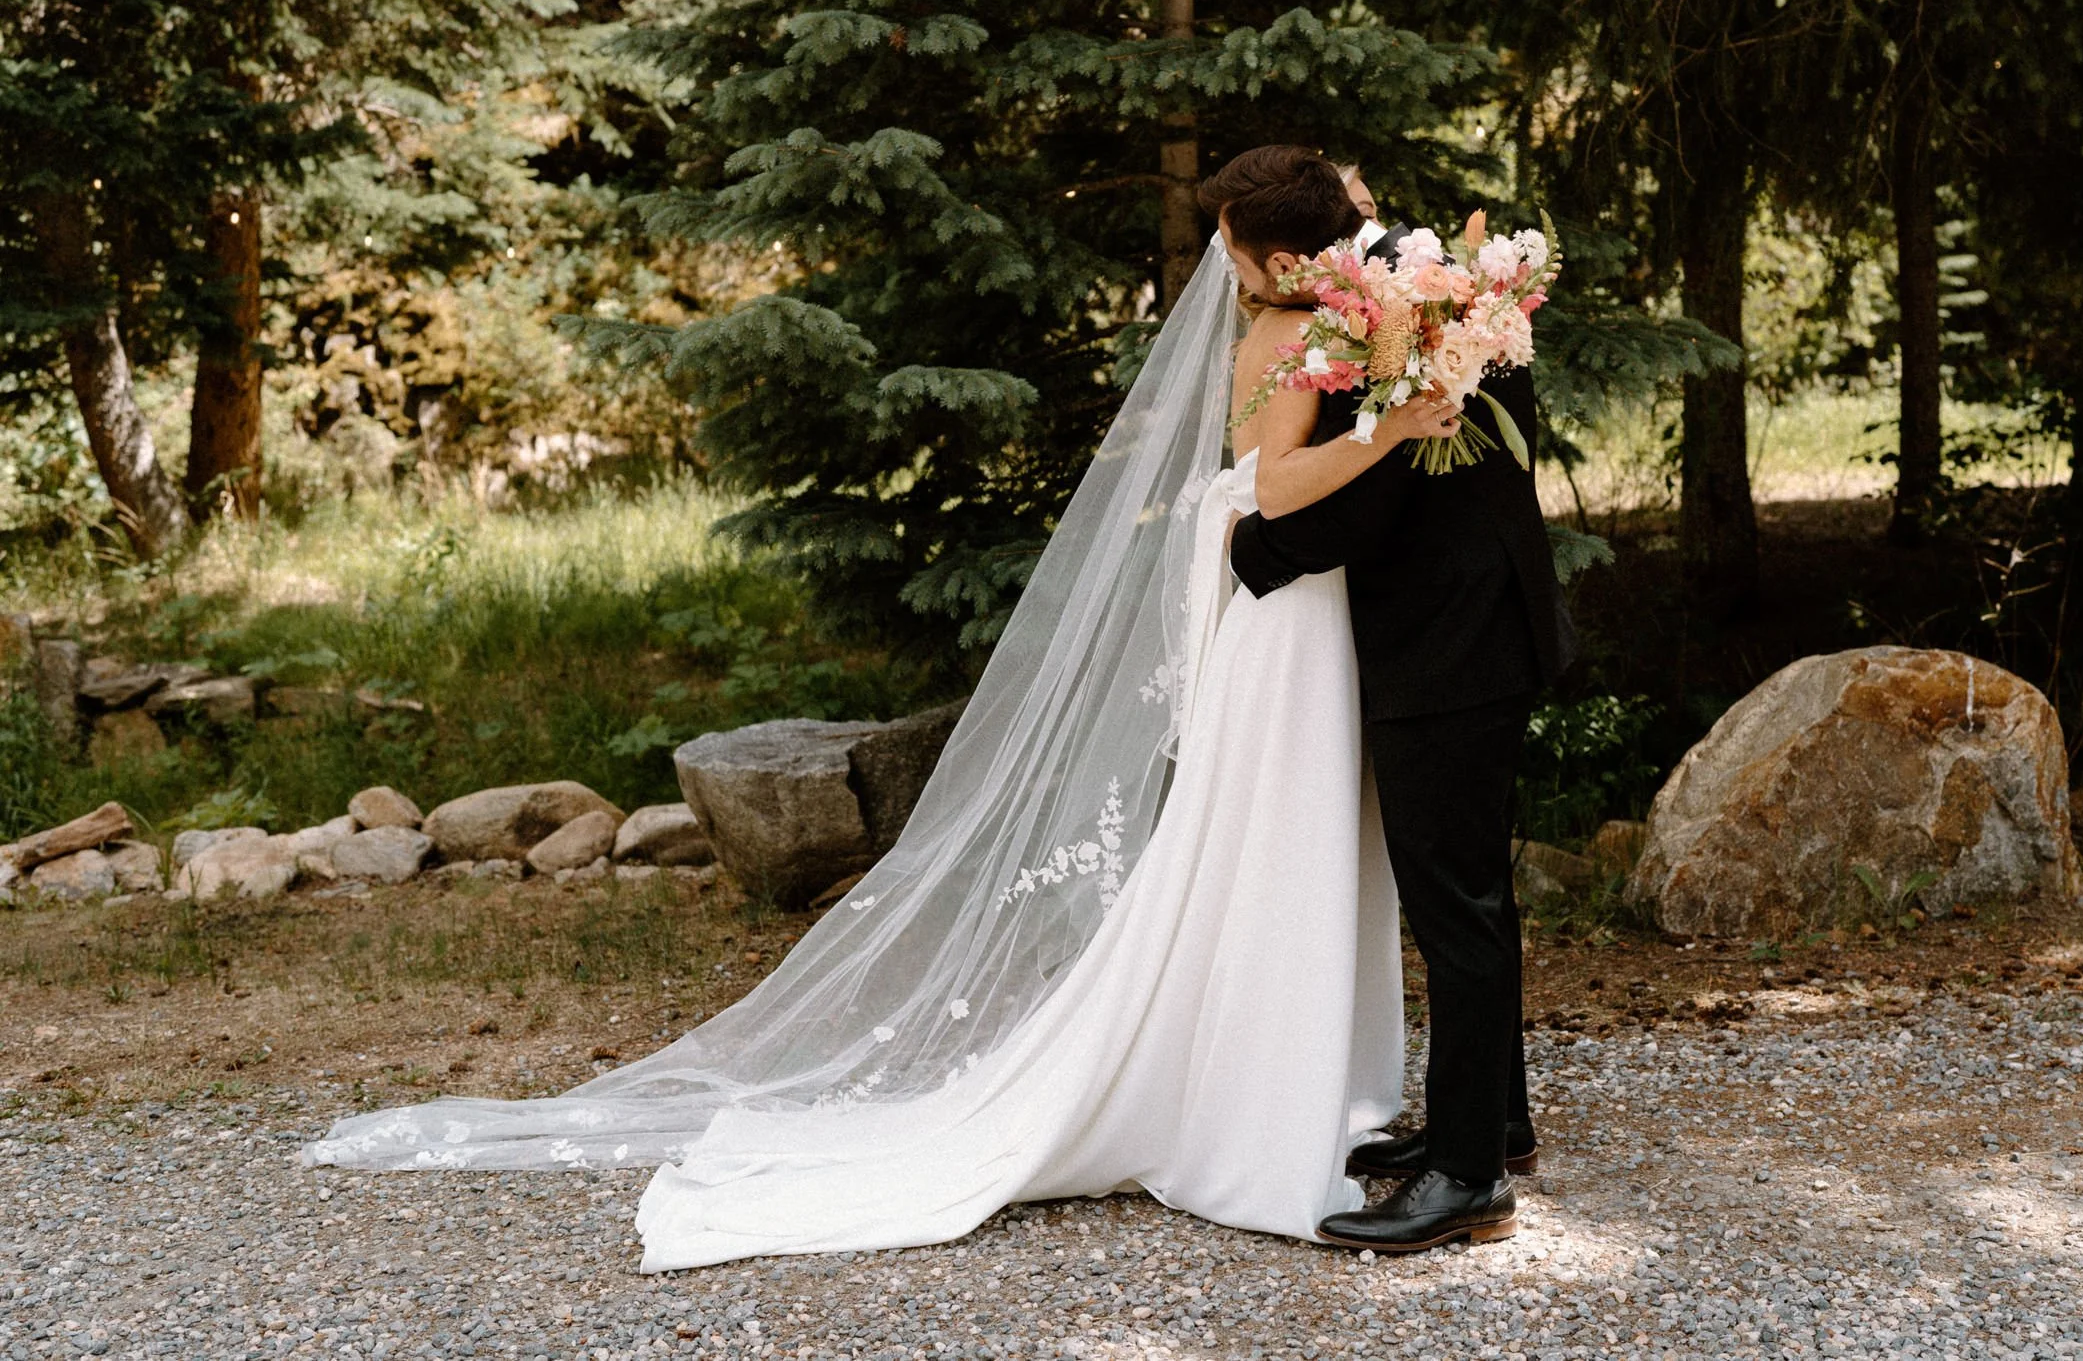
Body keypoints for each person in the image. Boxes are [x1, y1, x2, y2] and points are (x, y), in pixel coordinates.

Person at [307, 146, 1481, 1268]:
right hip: (1285, 615)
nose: (1220, 281)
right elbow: (1274, 486)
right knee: (1269, 836)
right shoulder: (1288, 332)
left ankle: (1296, 1079)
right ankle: (1251, 1098)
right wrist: (1392, 427)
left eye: (1231, 256)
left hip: (1304, 611)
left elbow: (1278, 481)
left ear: (1283, 258)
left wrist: (1394, 403)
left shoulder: (1327, 318)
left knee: (1295, 839)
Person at [1229, 180, 1574, 1252]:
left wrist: (1256, 549)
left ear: (1282, 260)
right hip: (1484, 625)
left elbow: (1376, 493)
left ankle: (1468, 1178)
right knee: (1476, 892)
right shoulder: (1446, 291)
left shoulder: (1398, 316)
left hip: (1450, 644)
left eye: (1239, 261)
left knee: (1457, 905)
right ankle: (1493, 1120)